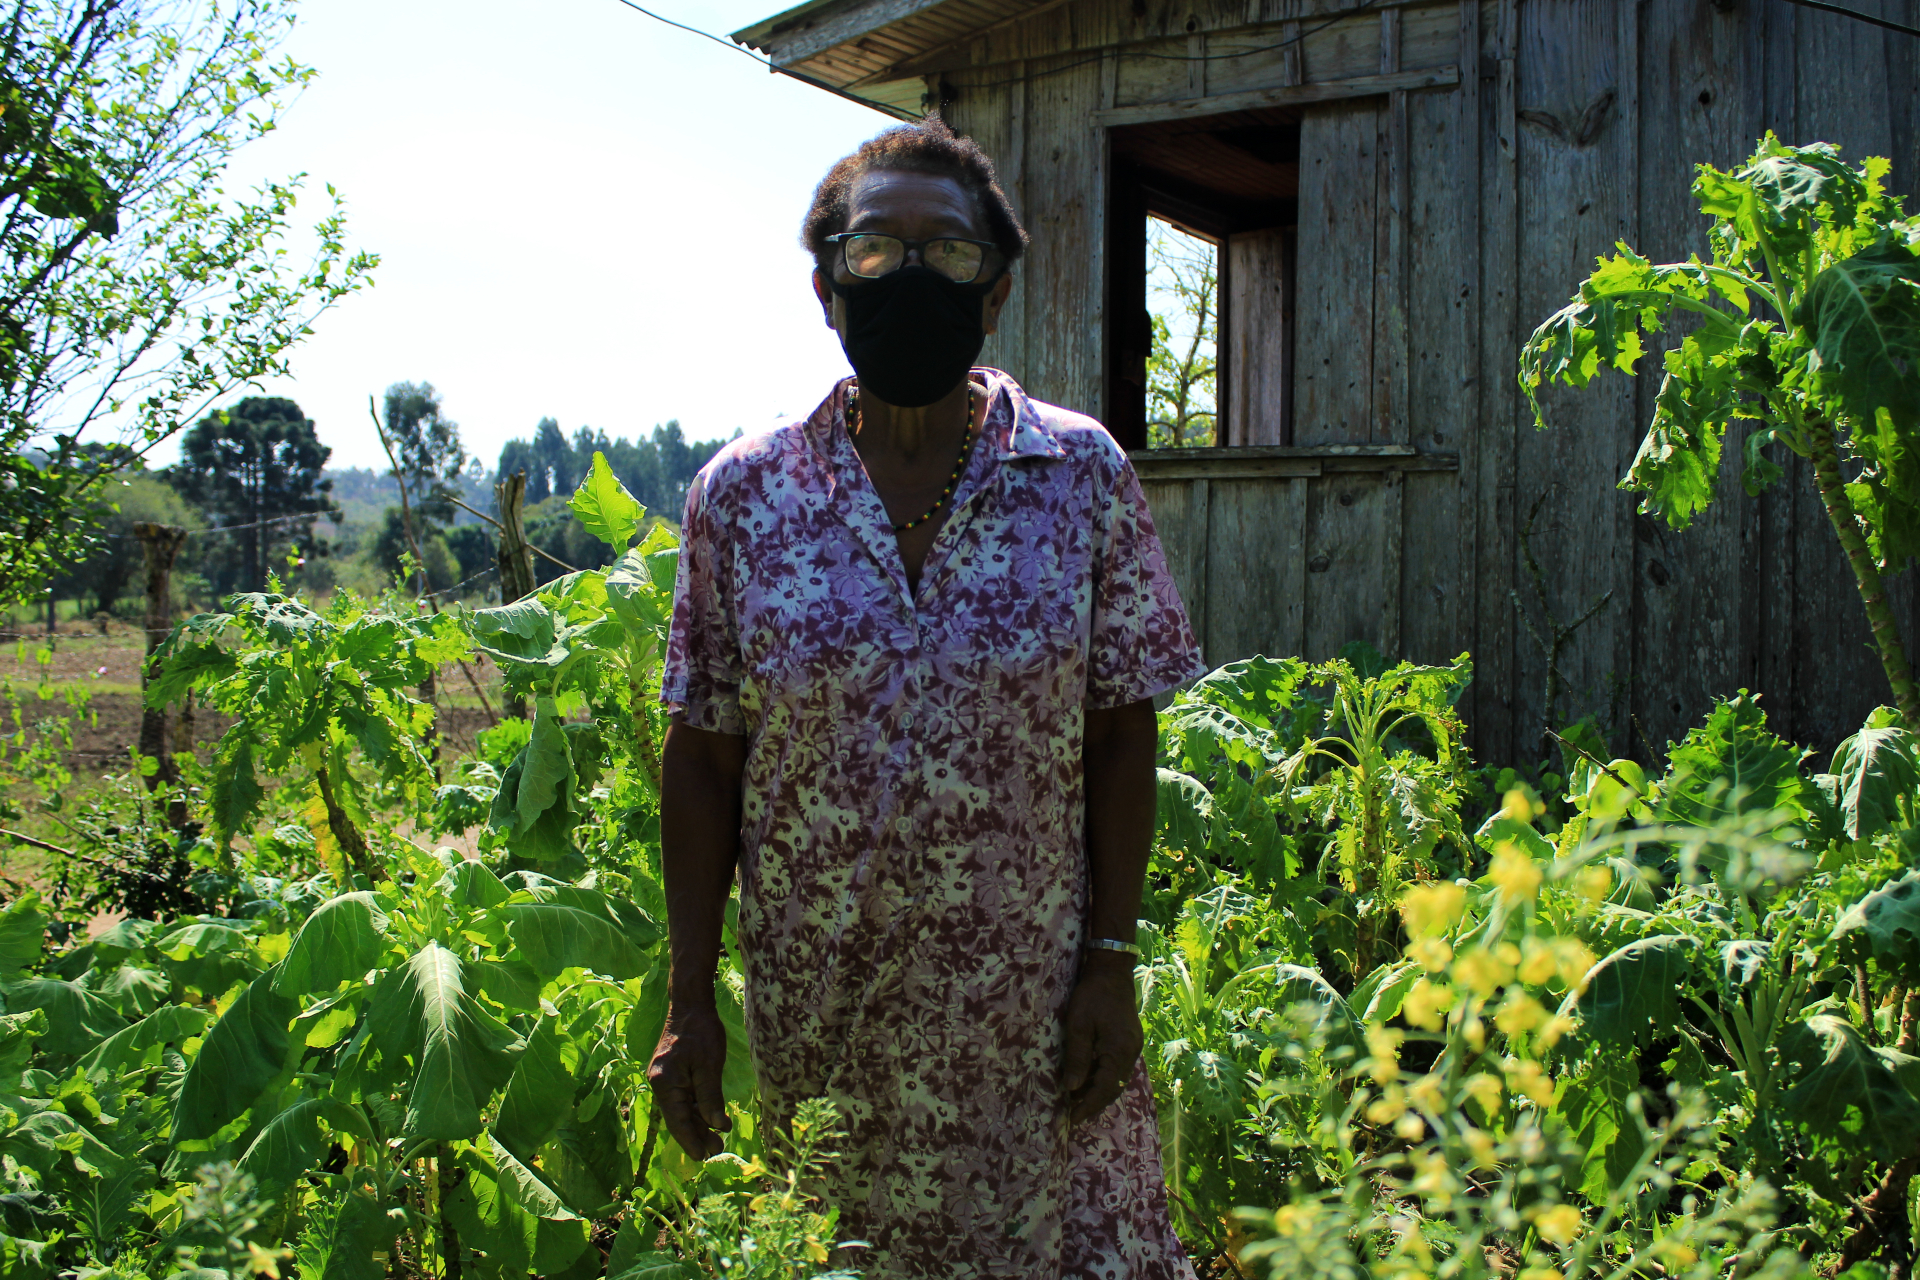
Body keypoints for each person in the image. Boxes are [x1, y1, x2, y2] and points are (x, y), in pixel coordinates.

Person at [648, 116, 1206, 1279]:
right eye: (874, 253)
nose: (911, 277)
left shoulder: (1079, 475)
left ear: (994, 293)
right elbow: (703, 754)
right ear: (825, 287)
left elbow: (1119, 729)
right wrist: (688, 996)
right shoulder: (743, 497)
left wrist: (1110, 959)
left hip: (1030, 1014)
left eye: (948, 255)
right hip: (827, 1012)